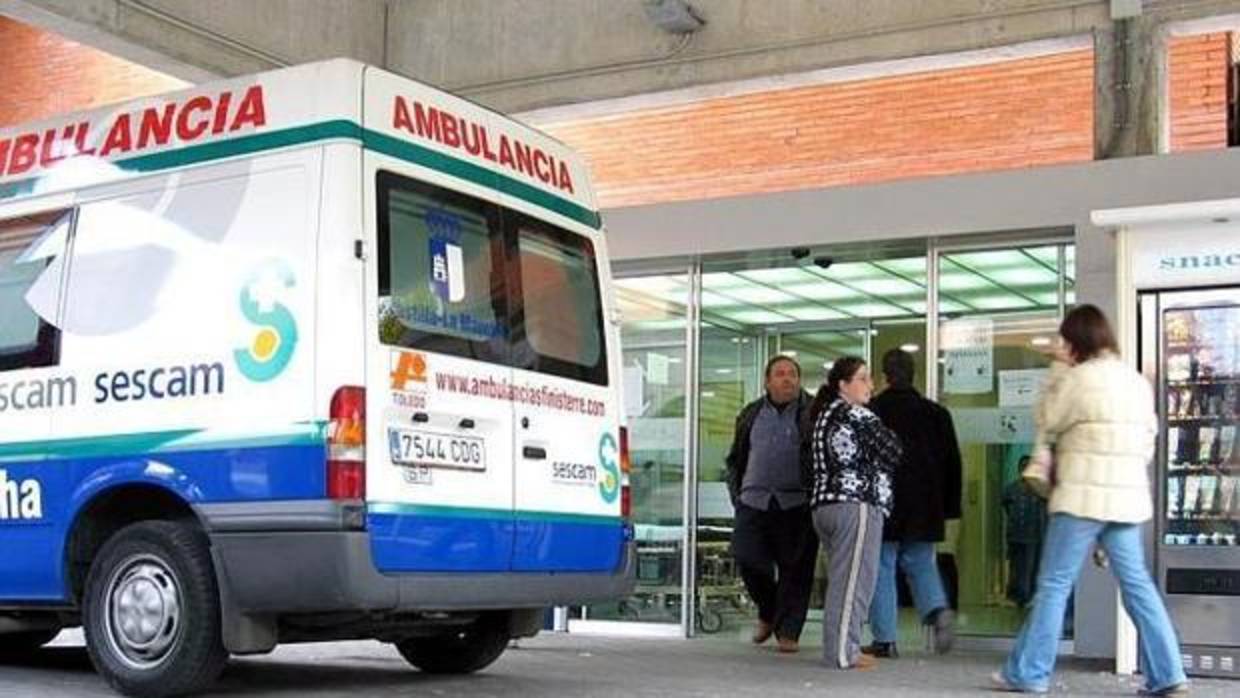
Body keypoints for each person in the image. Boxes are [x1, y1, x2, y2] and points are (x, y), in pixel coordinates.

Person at [993, 305, 1188, 696]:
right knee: (1137, 585)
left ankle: (1029, 674)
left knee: (1054, 584)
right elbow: (1149, 439)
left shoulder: (1076, 379)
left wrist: (1057, 371)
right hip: (1127, 497)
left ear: (1075, 342)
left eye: (1065, 340)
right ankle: (1169, 674)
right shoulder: (1135, 380)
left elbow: (1047, 419)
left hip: (1081, 496)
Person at [864, 348, 962, 658]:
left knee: (882, 566)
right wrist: (948, 507)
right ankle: (936, 609)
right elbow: (952, 463)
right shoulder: (936, 414)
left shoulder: (873, 411)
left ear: (884, 376)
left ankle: (885, 639)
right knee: (921, 562)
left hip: (885, 502)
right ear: (914, 374)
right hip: (925, 504)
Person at [806, 356, 902, 670]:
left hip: (826, 506)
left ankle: (842, 647)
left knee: (842, 579)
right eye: (862, 378)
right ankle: (844, 651)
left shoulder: (824, 414)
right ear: (843, 385)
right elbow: (893, 451)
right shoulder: (857, 415)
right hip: (855, 504)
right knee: (854, 584)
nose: (870, 385)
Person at [724, 355, 816, 653]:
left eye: (792, 374)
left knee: (796, 570)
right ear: (767, 381)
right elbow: (736, 457)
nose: (787, 379)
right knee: (747, 558)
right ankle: (769, 610)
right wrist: (737, 495)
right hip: (753, 500)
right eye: (780, 374)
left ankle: (788, 631)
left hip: (797, 503)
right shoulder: (751, 413)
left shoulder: (812, 411)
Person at [1001, 457, 1047, 608]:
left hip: (1035, 534)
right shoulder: (1011, 488)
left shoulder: (1040, 489)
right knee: (1016, 567)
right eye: (1023, 466)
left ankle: (1030, 596)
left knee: (1032, 567)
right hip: (1016, 534)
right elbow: (1007, 507)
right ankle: (1015, 597)